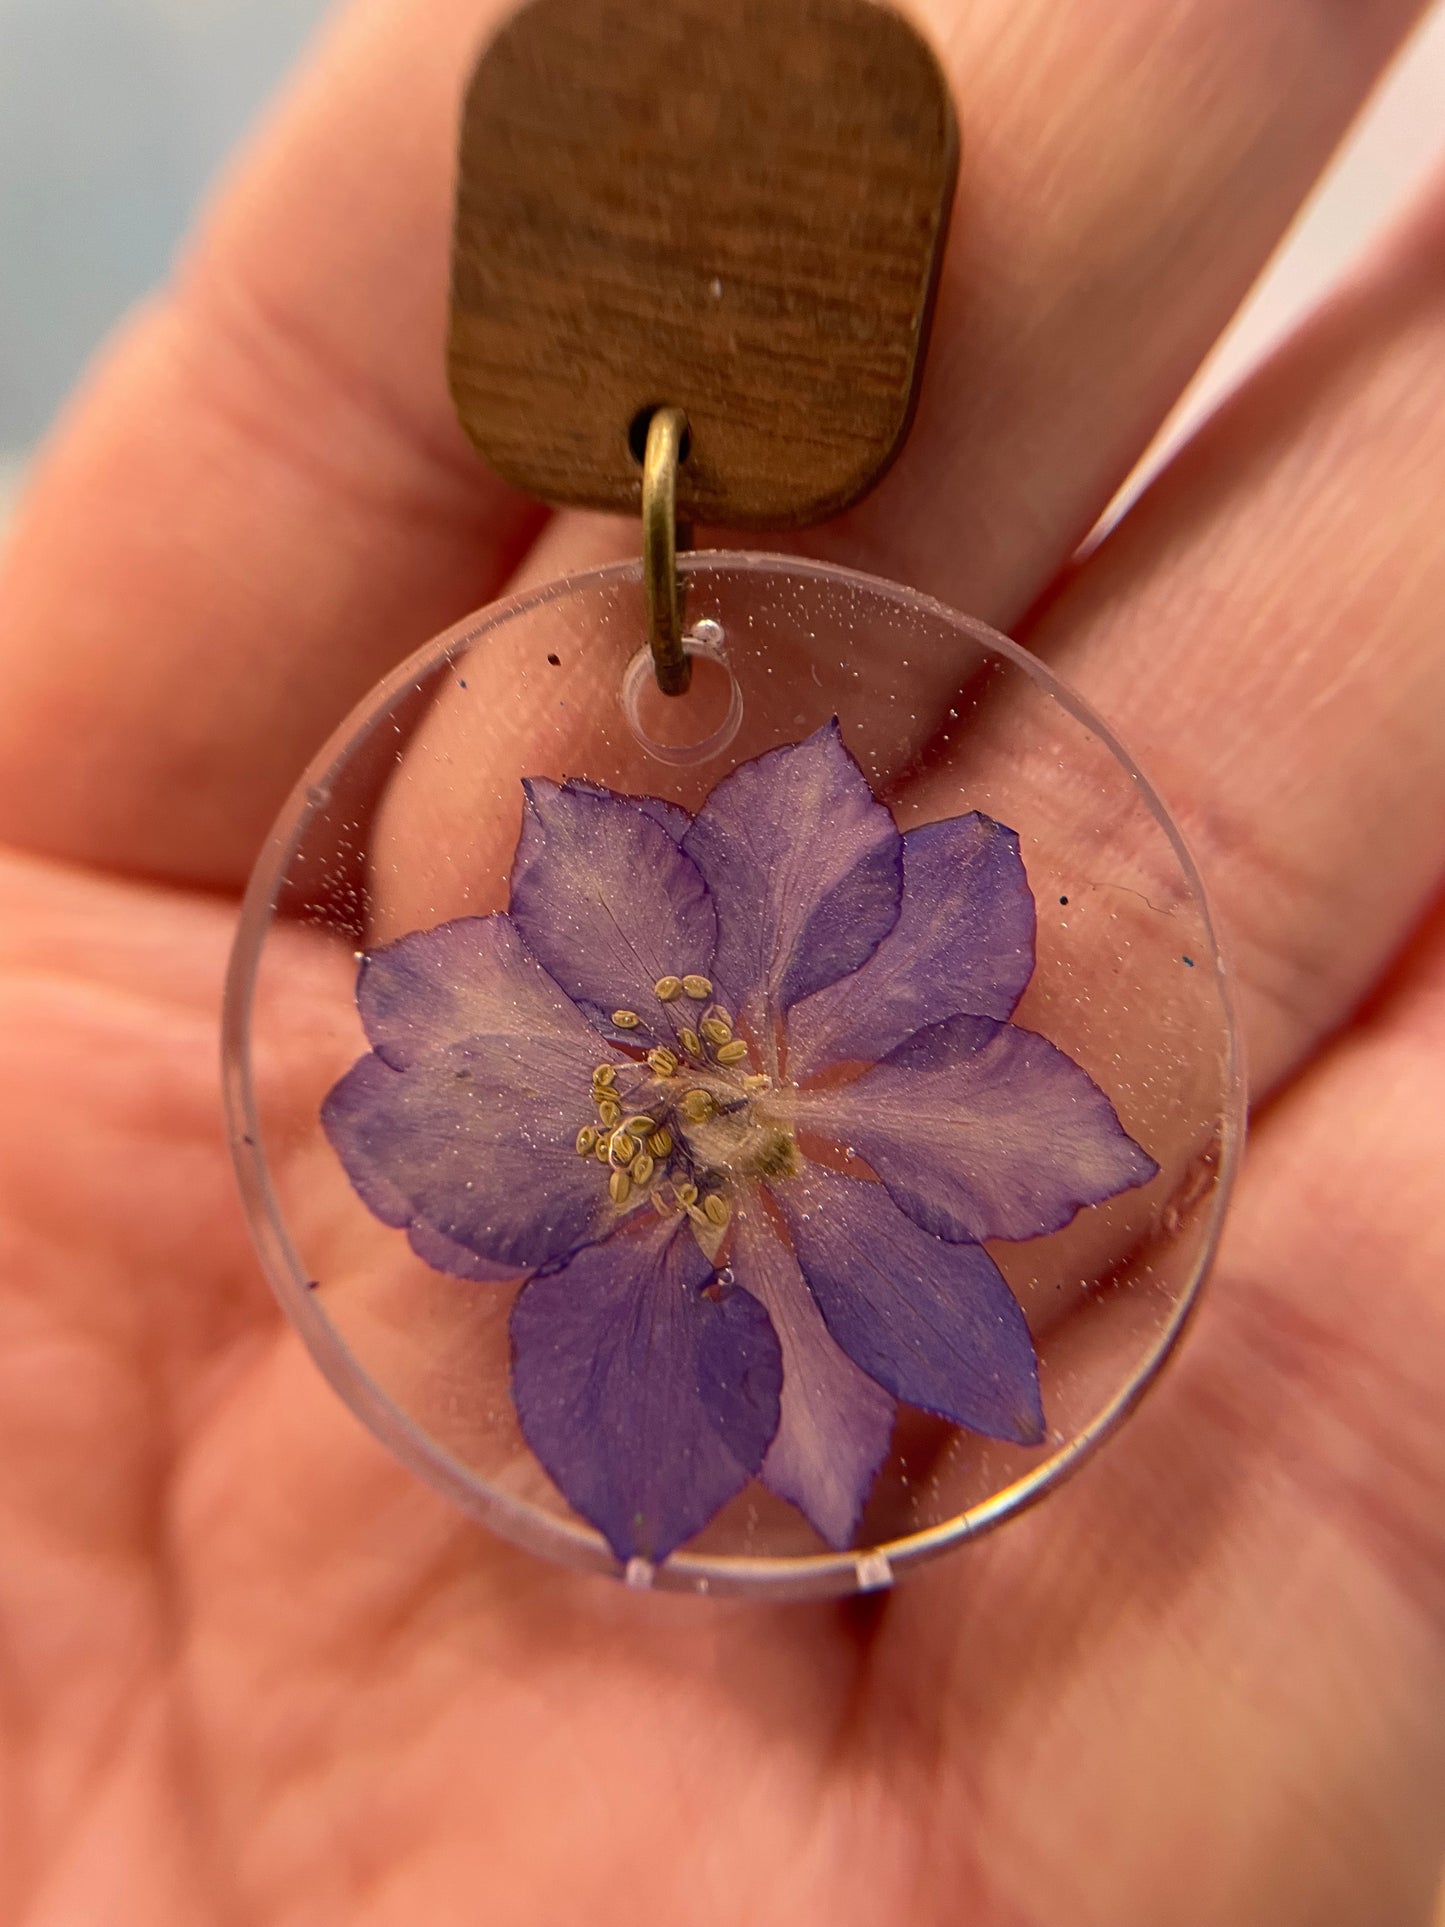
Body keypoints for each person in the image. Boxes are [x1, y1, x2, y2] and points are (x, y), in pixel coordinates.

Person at [0, 0, 1442, 1919]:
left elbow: (933, 1141)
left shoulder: (752, 910)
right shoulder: (549, 948)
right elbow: (465, 998)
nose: (710, 1109)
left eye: (688, 1097)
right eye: (696, 1102)